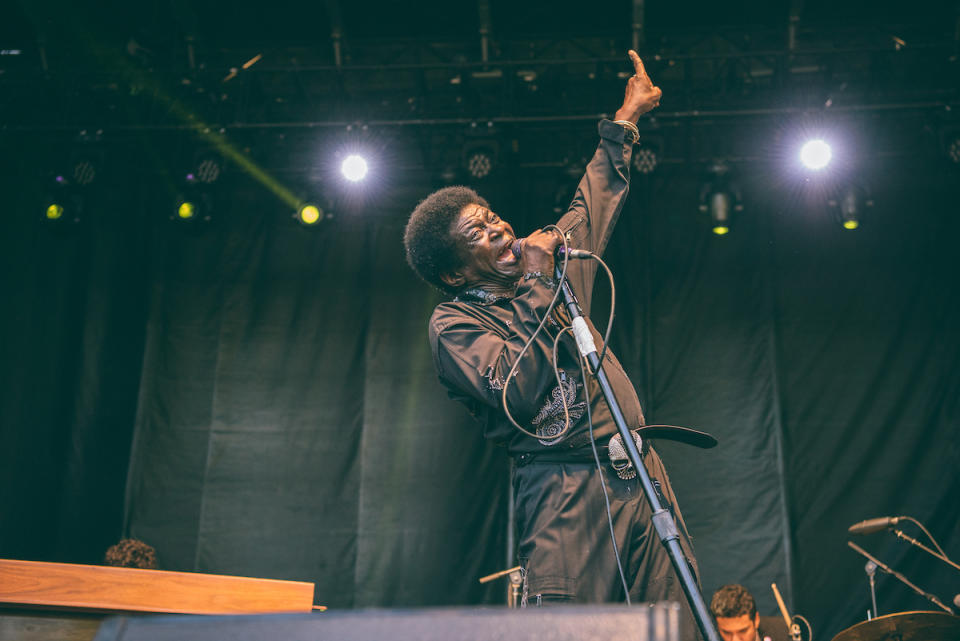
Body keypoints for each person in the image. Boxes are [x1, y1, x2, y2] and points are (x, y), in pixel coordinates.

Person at [404, 51, 699, 614]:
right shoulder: (455, 324)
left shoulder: (553, 264)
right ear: (454, 272)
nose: (500, 228)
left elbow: (593, 199)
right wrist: (541, 279)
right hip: (564, 488)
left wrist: (627, 119)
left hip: (638, 470)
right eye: (479, 233)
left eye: (492, 217)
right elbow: (516, 389)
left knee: (675, 619)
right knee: (570, 628)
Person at [710, 584, 791, 641]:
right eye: (726, 633)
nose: (735, 640)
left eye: (743, 631)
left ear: (756, 619)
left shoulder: (784, 632)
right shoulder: (707, 637)